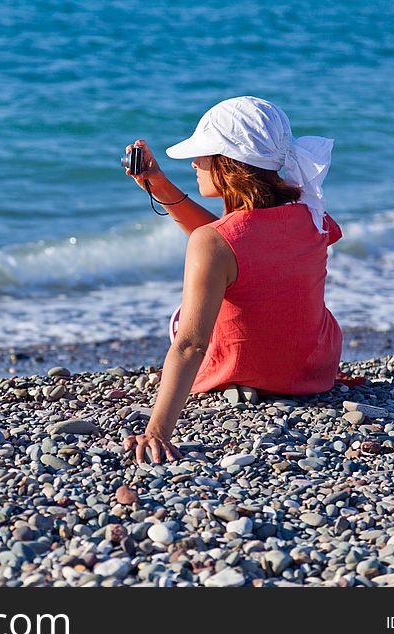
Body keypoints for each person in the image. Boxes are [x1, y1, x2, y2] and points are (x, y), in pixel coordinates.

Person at [122, 96, 344, 465]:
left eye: (203, 154)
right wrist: (159, 185)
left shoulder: (213, 242)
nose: (194, 163)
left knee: (183, 320)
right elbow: (236, 244)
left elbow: (192, 344)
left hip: (247, 368)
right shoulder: (310, 214)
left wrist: (157, 430)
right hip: (313, 372)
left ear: (228, 164)